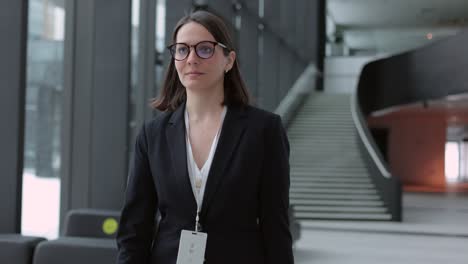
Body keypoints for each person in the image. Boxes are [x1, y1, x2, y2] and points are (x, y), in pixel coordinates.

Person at [116, 9, 293, 264]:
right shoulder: (152, 135)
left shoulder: (264, 130)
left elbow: (275, 226)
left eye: (205, 49)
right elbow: (134, 228)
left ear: (229, 60)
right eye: (182, 49)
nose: (191, 59)